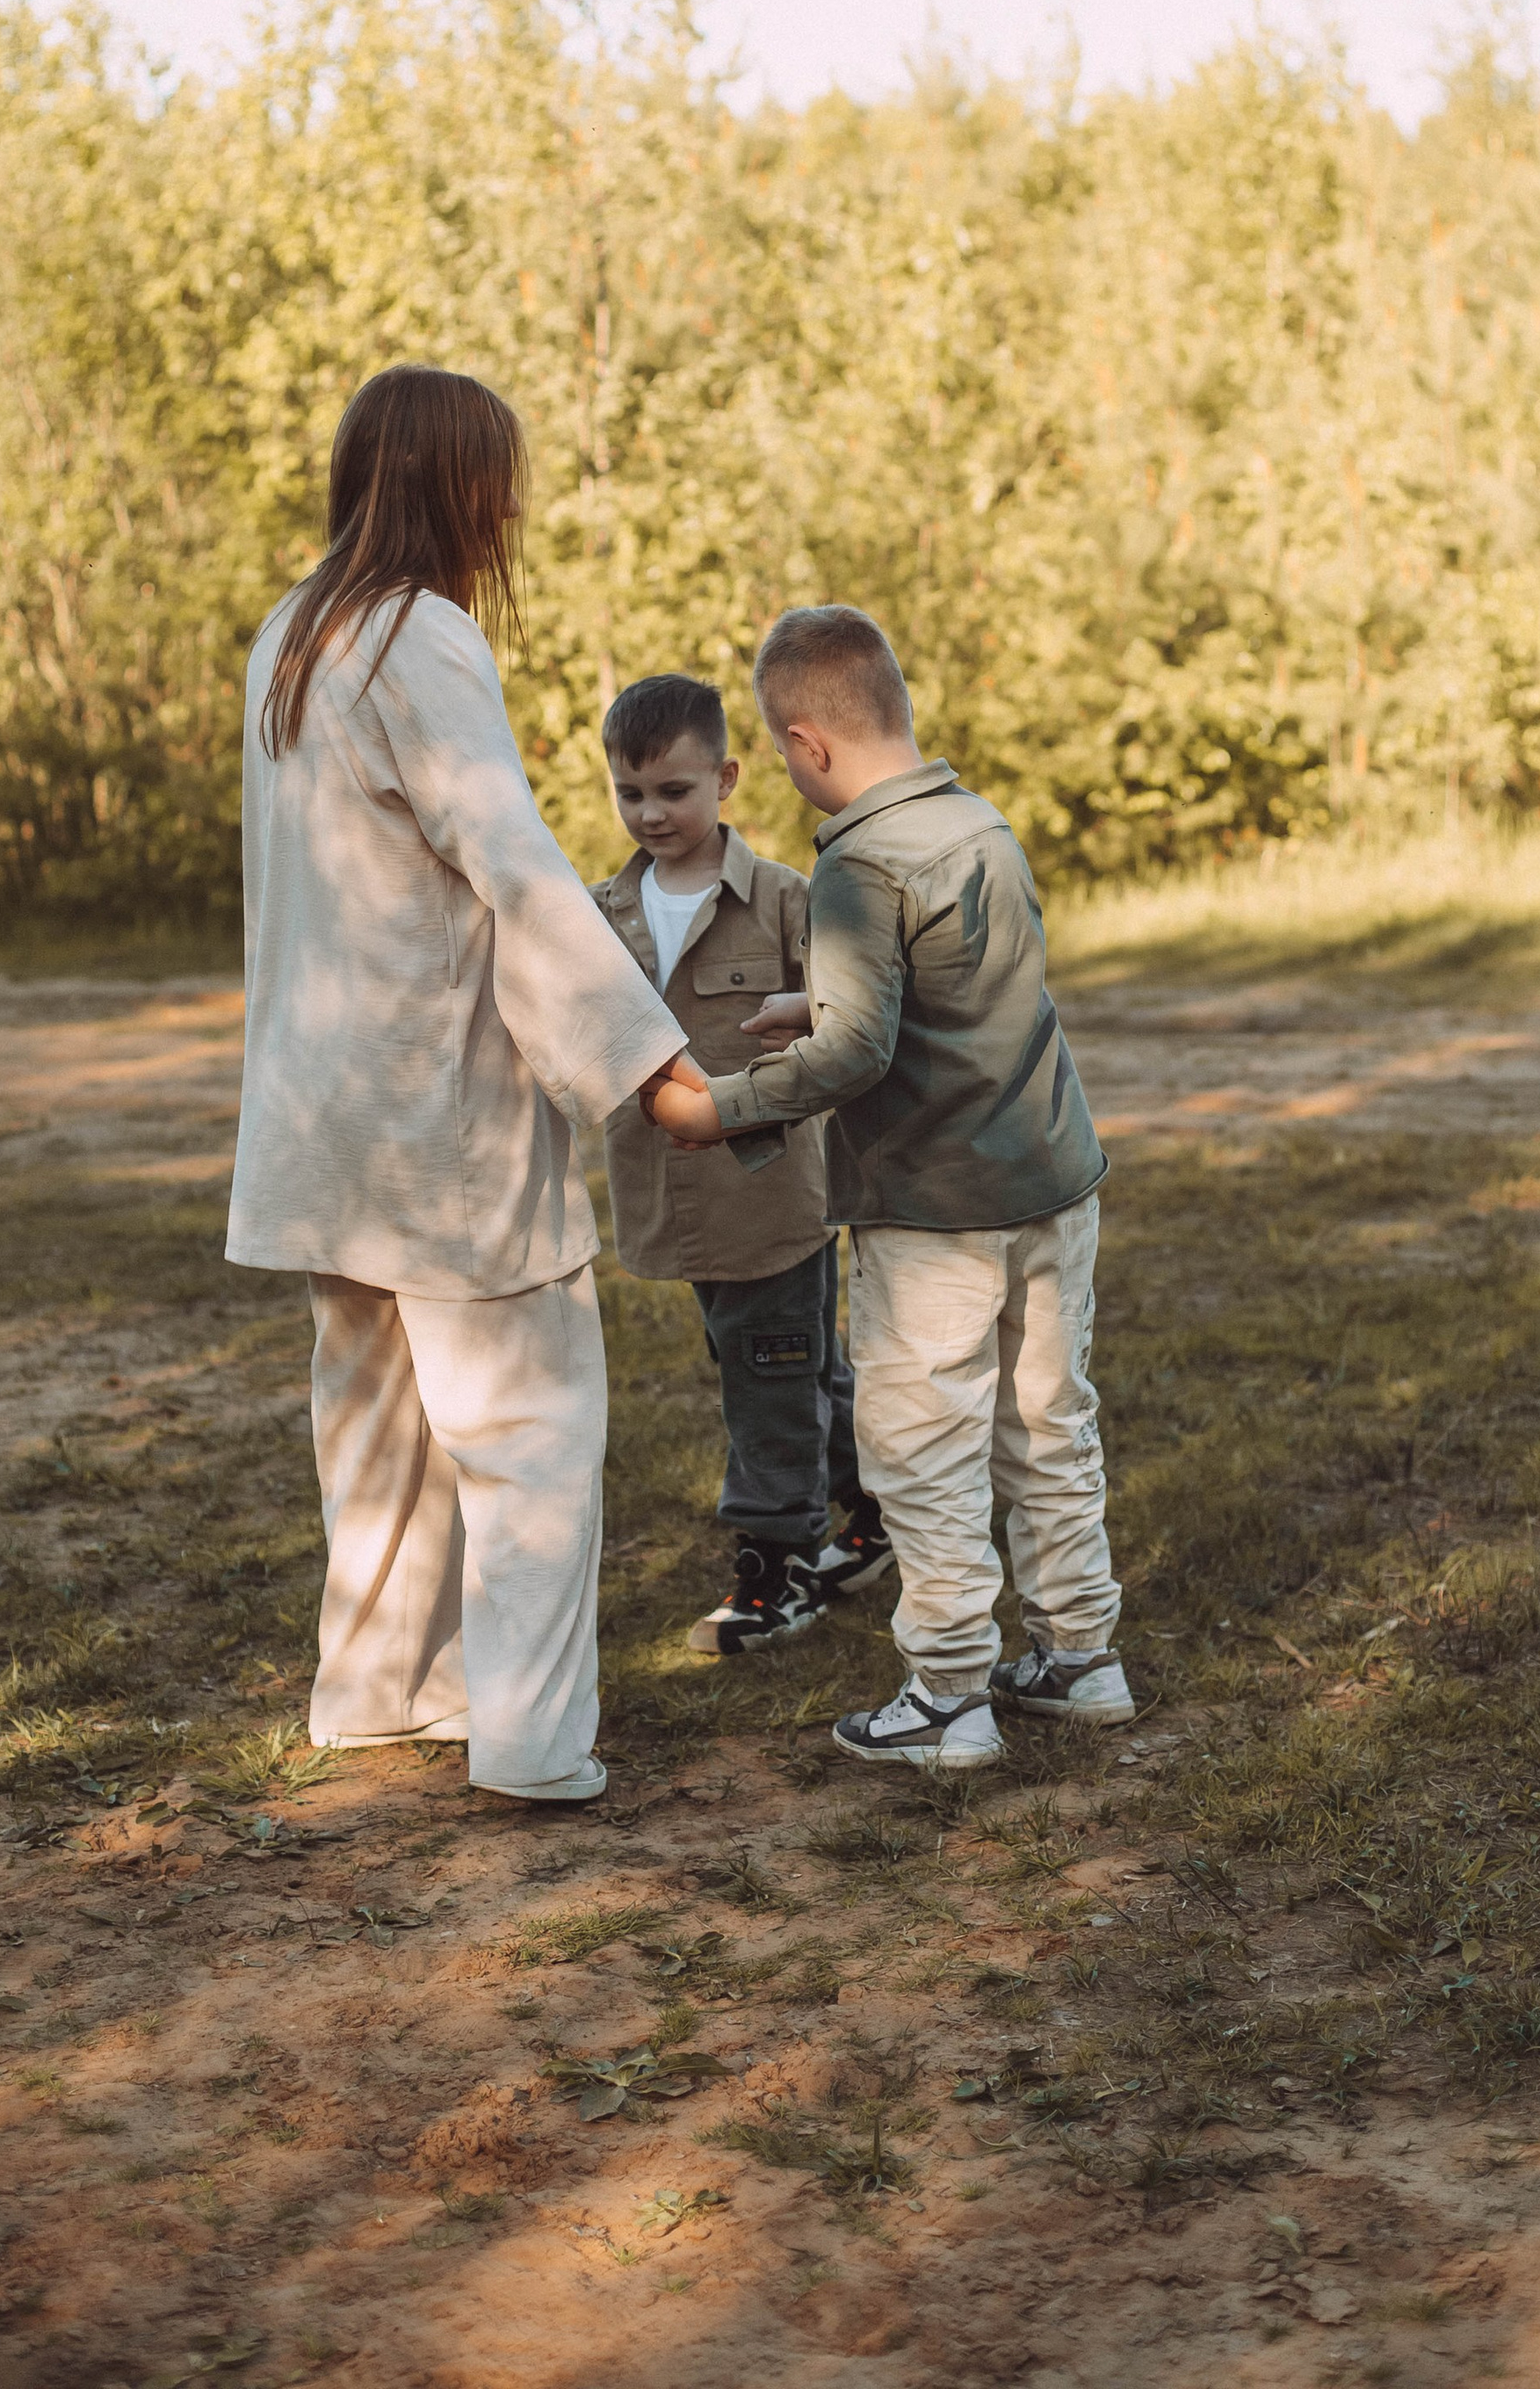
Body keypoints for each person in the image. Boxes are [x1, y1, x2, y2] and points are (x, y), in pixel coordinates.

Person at [226, 366, 697, 1806]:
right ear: (454, 485)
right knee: (528, 1429)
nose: (510, 506)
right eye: (499, 477)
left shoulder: (291, 633)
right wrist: (648, 1062)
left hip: (323, 1112)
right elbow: (513, 868)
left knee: (373, 1418)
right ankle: (534, 1745)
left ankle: (383, 1692)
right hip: (435, 1118)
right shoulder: (419, 638)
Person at [642, 603, 1129, 1774]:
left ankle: (951, 1693)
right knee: (1049, 1428)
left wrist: (723, 1107)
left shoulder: (858, 863)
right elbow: (966, 992)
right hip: (1053, 1186)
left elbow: (860, 1059)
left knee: (923, 1446)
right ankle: (1080, 1658)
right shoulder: (980, 824)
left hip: (938, 1211)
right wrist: (816, 1003)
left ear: (806, 745)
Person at [589, 671, 890, 1657]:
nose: (651, 813)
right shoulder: (600, 917)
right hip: (674, 1203)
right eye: (630, 793)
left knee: (769, 1376)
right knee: (792, 1366)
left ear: (722, 779)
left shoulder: (788, 904)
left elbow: (850, 1023)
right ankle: (882, 1506)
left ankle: (776, 1565)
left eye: (673, 791)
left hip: (769, 1199)